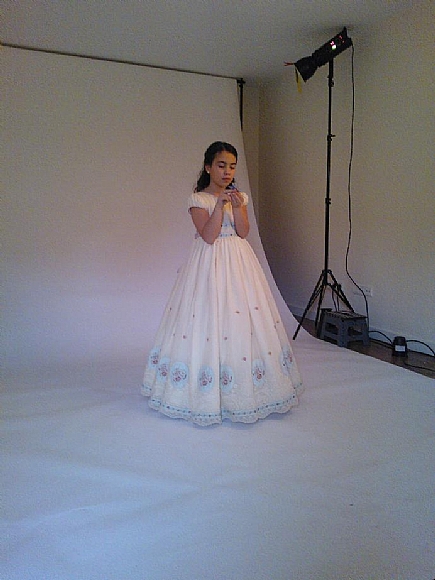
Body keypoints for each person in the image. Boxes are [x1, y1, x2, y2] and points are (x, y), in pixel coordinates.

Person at [142, 141, 303, 426]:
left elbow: (243, 232)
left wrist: (238, 207)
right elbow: (208, 236)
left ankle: (245, 385)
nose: (227, 171)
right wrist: (219, 205)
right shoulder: (198, 199)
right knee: (208, 316)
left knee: (240, 316)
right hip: (209, 263)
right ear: (208, 167)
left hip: (239, 262)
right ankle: (205, 388)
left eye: (232, 166)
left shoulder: (240, 197)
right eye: (221, 165)